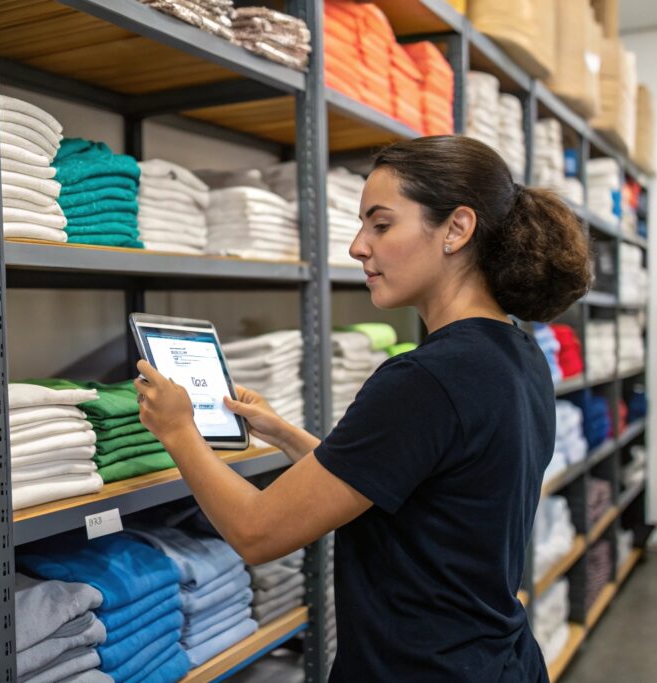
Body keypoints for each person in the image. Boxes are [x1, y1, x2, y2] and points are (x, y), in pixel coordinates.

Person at [133, 135, 591, 682]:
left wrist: (178, 430)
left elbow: (257, 533)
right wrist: (285, 435)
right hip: (496, 661)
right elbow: (409, 482)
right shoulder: (515, 354)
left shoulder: (425, 379)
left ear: (457, 229)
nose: (357, 246)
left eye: (380, 224)